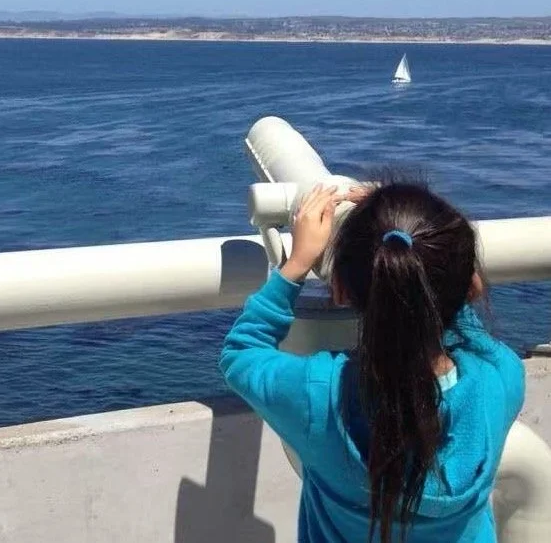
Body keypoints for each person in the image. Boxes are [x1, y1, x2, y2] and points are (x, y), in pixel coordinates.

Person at [220, 181, 525, 543]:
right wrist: (411, 235)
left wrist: (296, 266)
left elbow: (240, 354)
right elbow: (463, 320)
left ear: (340, 291)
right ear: (469, 286)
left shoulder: (318, 395)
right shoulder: (501, 378)